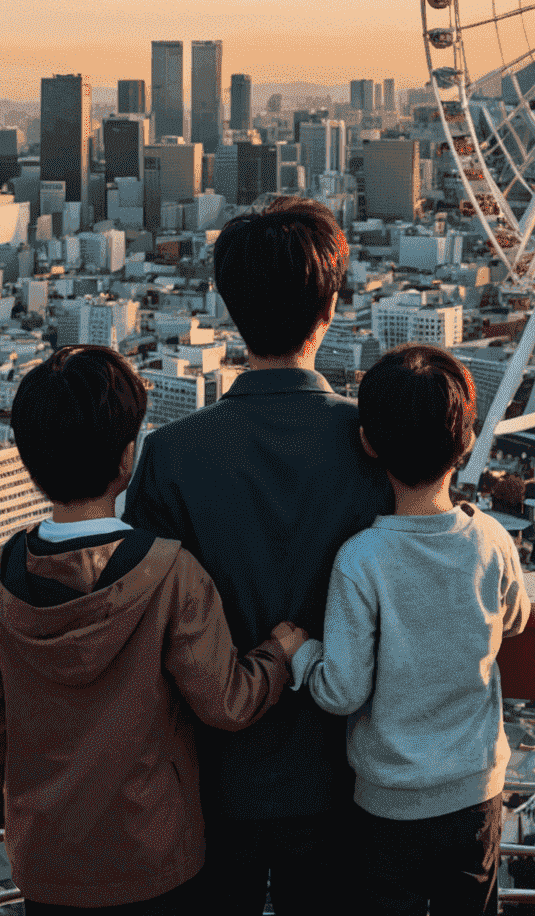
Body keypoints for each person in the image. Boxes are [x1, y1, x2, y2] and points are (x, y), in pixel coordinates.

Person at [0, 345, 308, 916]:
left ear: (28, 462)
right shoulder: (168, 571)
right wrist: (281, 650)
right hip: (154, 853)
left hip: (48, 858)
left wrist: (10, 808)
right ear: (126, 459)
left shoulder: (0, 578)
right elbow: (225, 699)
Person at [125, 197, 393, 913]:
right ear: (329, 306)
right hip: (346, 779)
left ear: (230, 307)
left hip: (209, 784)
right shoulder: (377, 450)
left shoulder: (172, 458)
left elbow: (148, 625)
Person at [291, 345, 530, 916]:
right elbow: (517, 617)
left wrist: (301, 655)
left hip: (390, 803)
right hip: (477, 791)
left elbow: (343, 689)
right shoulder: (492, 540)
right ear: (467, 442)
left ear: (368, 442)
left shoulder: (362, 558)